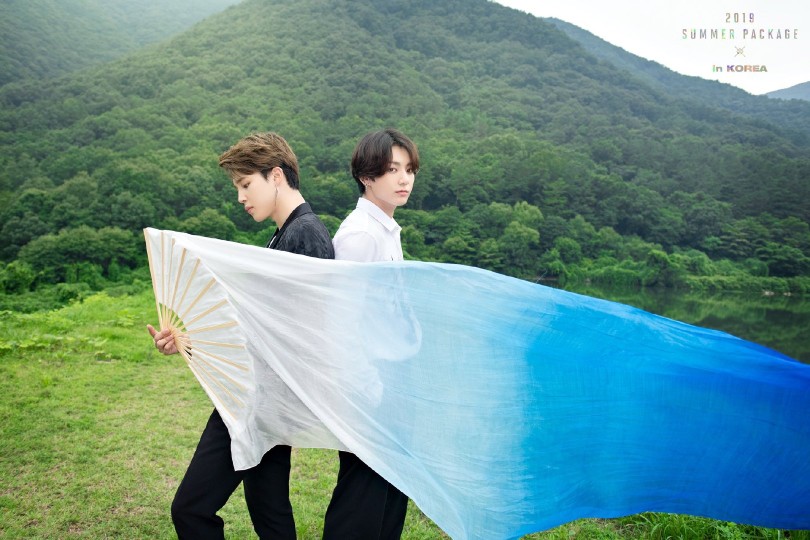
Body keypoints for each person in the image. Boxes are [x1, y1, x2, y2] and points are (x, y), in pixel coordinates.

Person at [147, 132, 335, 539]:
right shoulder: (286, 233)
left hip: (259, 400)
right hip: (262, 399)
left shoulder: (305, 235)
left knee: (190, 509)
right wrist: (189, 341)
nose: (240, 197)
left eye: (246, 184)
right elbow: (266, 325)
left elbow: (295, 336)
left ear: (276, 176)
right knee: (270, 515)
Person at [322, 128, 419, 539]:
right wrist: (369, 389)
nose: (404, 179)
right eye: (392, 169)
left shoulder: (385, 229)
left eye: (409, 169)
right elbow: (340, 322)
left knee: (390, 496)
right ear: (366, 176)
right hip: (371, 386)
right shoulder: (361, 235)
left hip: (394, 379)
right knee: (361, 502)